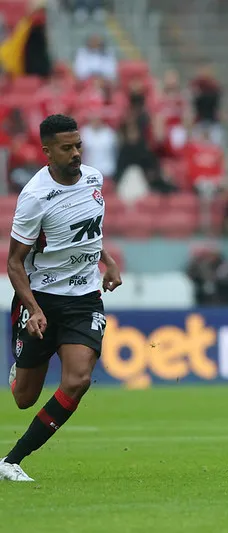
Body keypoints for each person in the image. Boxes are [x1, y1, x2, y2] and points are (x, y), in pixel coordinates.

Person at [0, 114, 123, 482]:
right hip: (41, 299)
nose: (75, 154)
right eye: (66, 148)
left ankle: (11, 460)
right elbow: (14, 262)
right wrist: (34, 309)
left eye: (78, 145)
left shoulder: (94, 179)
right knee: (24, 398)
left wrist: (109, 263)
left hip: (84, 297)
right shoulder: (35, 197)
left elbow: (88, 232)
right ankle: (17, 371)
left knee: (78, 379)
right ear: (47, 151)